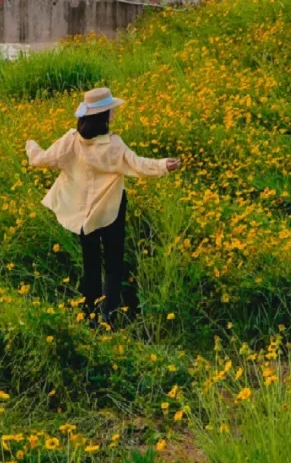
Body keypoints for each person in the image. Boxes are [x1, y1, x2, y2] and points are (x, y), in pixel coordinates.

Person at [25, 86, 180, 319]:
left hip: (82, 213)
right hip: (111, 210)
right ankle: (108, 315)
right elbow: (138, 164)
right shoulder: (113, 145)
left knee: (91, 264)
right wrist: (163, 165)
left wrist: (30, 144)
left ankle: (89, 313)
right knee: (114, 263)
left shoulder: (70, 141)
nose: (114, 114)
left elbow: (41, 159)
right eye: (111, 110)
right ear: (103, 115)